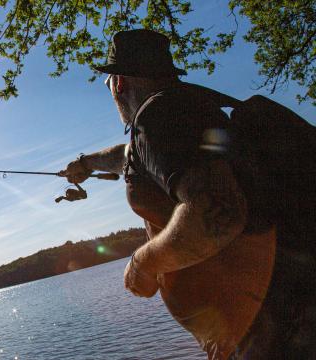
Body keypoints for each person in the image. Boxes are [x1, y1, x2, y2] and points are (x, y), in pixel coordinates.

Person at [60, 29, 316, 359]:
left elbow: (219, 213)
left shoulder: (157, 117)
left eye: (108, 82)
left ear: (119, 82)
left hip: (274, 330)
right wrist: (87, 163)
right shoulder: (185, 112)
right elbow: (131, 156)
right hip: (270, 319)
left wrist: (145, 262)